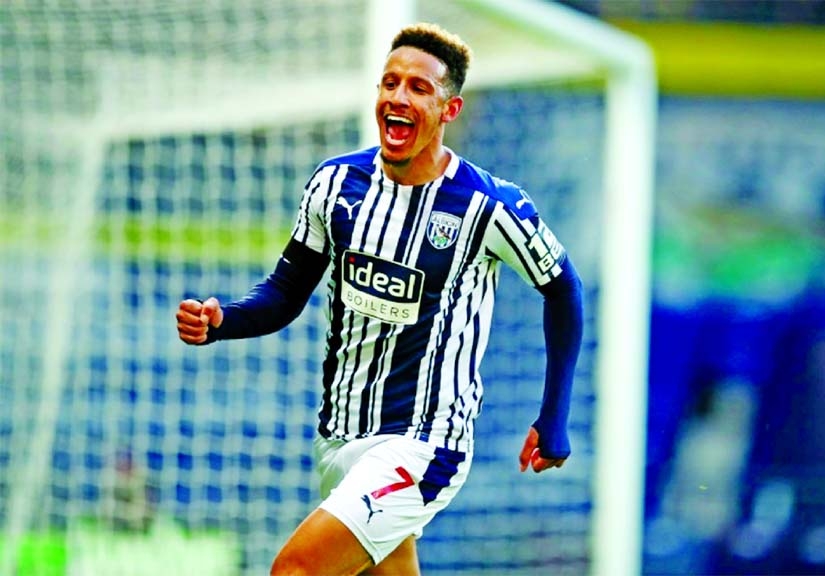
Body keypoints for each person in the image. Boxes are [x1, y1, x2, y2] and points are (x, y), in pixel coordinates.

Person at [176, 22, 583, 576]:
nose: (398, 96)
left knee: (295, 569)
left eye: (419, 88)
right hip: (338, 438)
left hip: (423, 444)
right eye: (389, 83)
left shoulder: (488, 205)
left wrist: (553, 415)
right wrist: (225, 319)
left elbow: (562, 286)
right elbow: (286, 291)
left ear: (449, 110)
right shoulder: (334, 184)